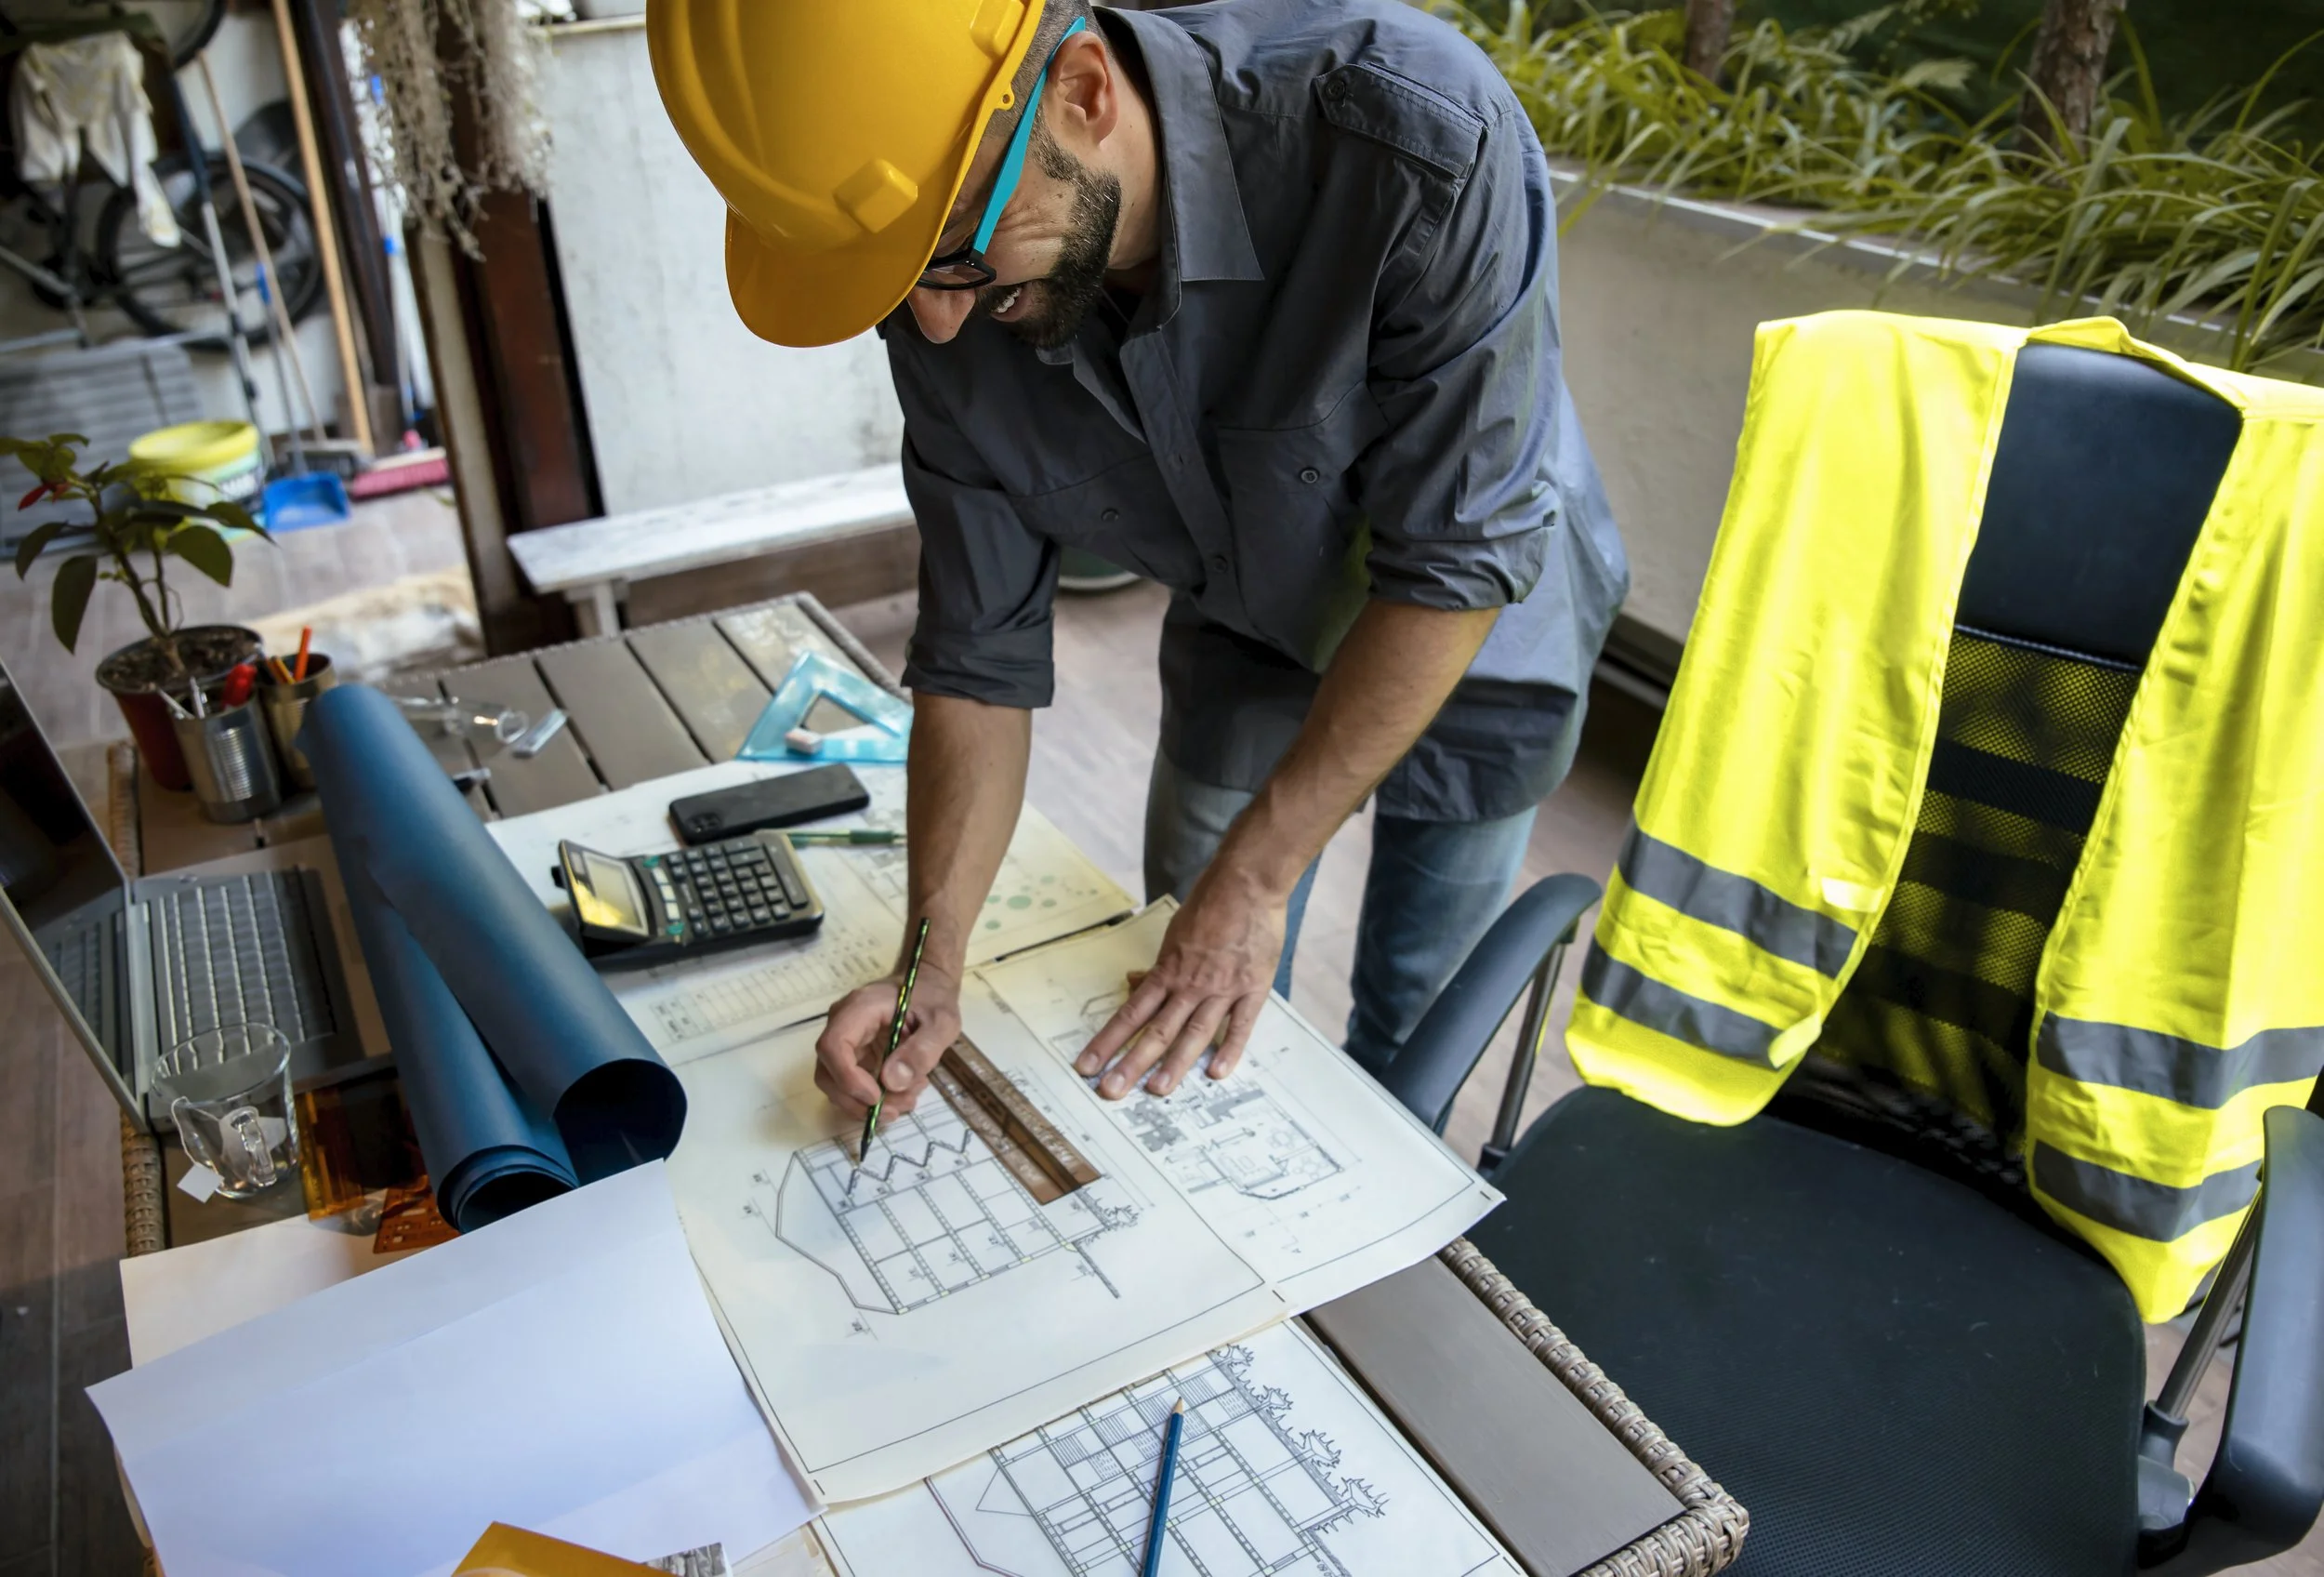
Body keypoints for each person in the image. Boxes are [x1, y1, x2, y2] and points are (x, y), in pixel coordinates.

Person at [650, 0, 1626, 1125]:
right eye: (895, 280)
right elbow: (977, 651)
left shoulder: (1412, 136)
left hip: (1476, 626)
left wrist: (1260, 881)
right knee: (1182, 993)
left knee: (1414, 1020)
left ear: (1084, 93)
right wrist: (931, 959)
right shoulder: (951, 293)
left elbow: (1453, 556)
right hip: (1248, 618)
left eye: (955, 251)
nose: (933, 325)